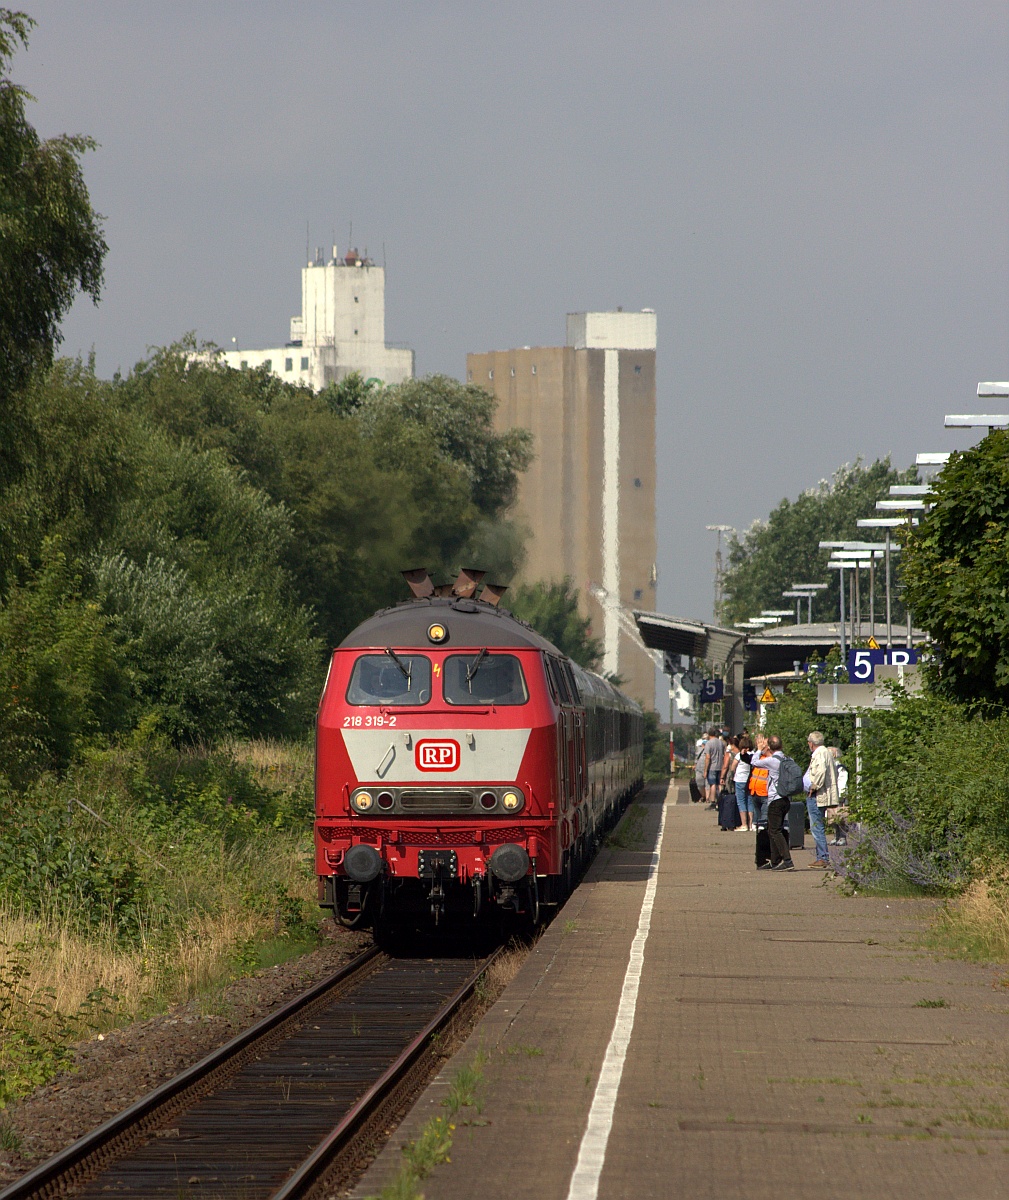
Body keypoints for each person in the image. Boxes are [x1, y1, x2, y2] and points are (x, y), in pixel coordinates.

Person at [751, 733, 793, 870]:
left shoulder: (772, 761)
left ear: (769, 747)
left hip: (775, 800)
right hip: (786, 799)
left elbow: (754, 762)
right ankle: (774, 861)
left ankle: (787, 861)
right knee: (773, 829)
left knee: (775, 831)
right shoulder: (788, 759)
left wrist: (759, 749)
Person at [806, 731, 838, 868]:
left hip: (817, 795)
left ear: (811, 743)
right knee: (818, 826)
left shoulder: (819, 753)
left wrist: (814, 786)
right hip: (822, 794)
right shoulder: (826, 752)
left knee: (816, 826)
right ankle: (822, 856)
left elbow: (821, 771)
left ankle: (822, 857)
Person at [733, 734, 755, 831]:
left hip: (740, 780)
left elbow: (733, 766)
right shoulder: (754, 755)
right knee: (750, 802)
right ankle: (751, 824)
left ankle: (744, 824)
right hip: (750, 780)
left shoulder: (739, 755)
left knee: (741, 802)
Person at [702, 726, 724, 808]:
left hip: (712, 767)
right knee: (720, 784)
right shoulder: (721, 743)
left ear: (709, 734)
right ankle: (721, 800)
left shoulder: (709, 743)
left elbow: (708, 757)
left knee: (713, 784)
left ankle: (713, 802)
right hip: (720, 766)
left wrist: (705, 770)